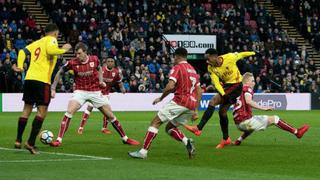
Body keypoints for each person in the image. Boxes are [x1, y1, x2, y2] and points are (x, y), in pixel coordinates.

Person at [50, 42, 139, 147]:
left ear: (85, 53)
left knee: (110, 116)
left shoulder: (94, 59)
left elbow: (99, 68)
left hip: (95, 92)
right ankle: (59, 140)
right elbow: (60, 71)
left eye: (79, 53)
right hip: (80, 91)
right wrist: (53, 88)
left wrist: (101, 81)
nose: (77, 56)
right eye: (76, 54)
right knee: (69, 111)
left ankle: (125, 138)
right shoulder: (72, 63)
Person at [128, 47, 202, 159]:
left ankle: (143, 152)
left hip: (180, 102)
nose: (173, 59)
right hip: (191, 105)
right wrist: (196, 109)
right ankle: (187, 142)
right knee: (169, 128)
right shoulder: (193, 70)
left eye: (174, 57)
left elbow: (170, 86)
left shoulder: (178, 67)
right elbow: (199, 91)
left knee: (155, 122)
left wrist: (161, 98)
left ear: (177, 56)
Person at [13, 23, 72, 154]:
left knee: (26, 109)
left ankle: (18, 140)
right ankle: (30, 143)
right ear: (56, 33)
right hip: (42, 81)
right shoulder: (52, 40)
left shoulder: (38, 42)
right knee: (42, 111)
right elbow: (51, 50)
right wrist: (64, 49)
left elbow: (22, 51)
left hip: (29, 79)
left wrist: (20, 66)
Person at [185, 48, 256, 149]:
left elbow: (241, 54)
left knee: (213, 101)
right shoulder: (210, 67)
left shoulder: (229, 57)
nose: (207, 61)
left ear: (215, 57)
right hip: (227, 87)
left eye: (208, 59)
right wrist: (223, 94)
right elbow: (216, 82)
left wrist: (253, 52)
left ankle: (199, 128)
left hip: (236, 85)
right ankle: (226, 139)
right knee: (222, 112)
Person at [232, 72, 309, 145]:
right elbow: (248, 101)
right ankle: (297, 132)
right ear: (246, 82)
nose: (254, 83)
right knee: (275, 119)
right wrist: (263, 108)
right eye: (252, 81)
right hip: (245, 121)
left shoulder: (239, 90)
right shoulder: (247, 88)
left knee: (253, 124)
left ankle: (238, 141)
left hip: (239, 124)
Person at [78, 57, 126, 135]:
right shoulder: (101, 70)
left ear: (114, 63)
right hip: (96, 92)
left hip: (106, 94)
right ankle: (81, 127)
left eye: (112, 61)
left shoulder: (116, 72)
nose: (110, 62)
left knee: (108, 111)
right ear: (106, 63)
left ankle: (104, 128)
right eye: (109, 61)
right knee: (89, 108)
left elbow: (119, 82)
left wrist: (122, 88)